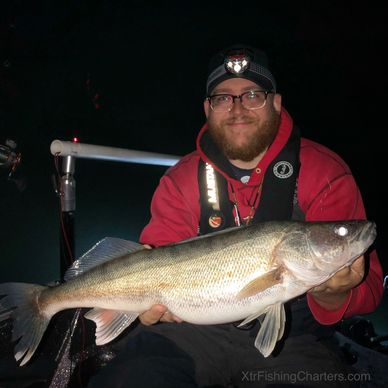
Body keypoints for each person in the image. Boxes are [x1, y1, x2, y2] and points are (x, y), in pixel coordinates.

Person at [88, 45, 383, 388]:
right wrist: (152, 309)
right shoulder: (180, 179)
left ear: (276, 103)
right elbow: (151, 260)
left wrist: (333, 293)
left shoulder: (324, 172)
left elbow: (371, 290)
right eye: (223, 98)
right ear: (207, 110)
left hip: (295, 343)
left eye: (252, 94)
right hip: (192, 334)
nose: (238, 108)